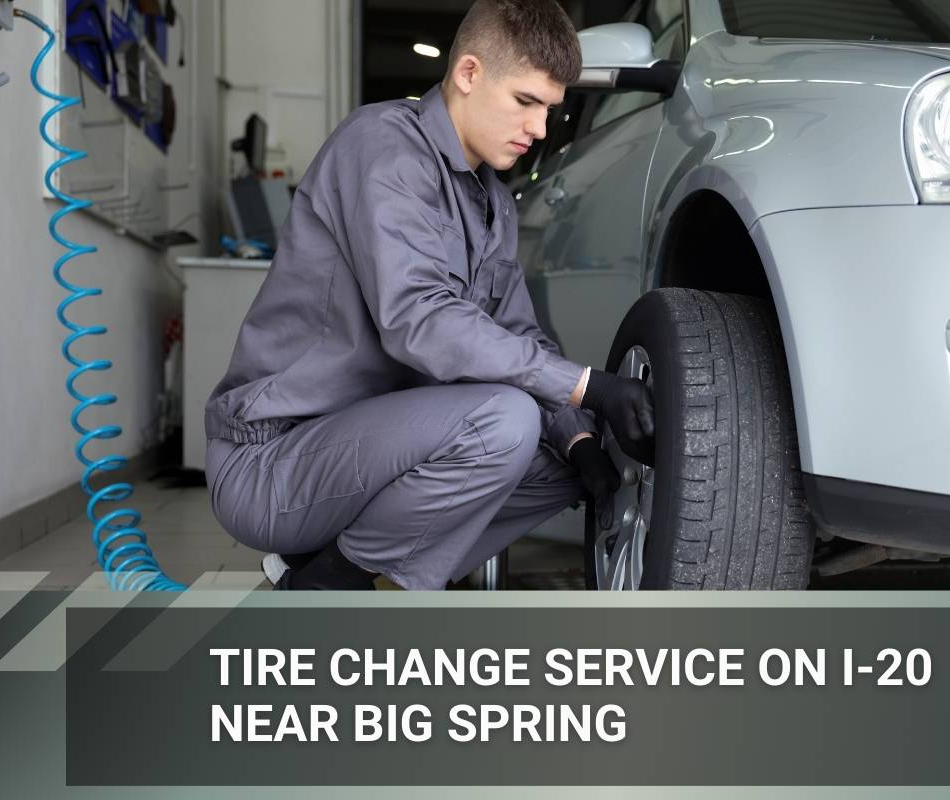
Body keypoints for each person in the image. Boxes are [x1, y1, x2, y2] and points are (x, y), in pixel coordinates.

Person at [203, 0, 654, 590]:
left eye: (549, 110)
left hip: (368, 452)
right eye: (525, 102)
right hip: (271, 460)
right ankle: (329, 582)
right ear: (468, 74)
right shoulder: (383, 148)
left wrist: (580, 437)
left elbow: (518, 336)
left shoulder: (493, 205)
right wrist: (590, 384)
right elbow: (420, 321)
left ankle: (328, 564)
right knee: (506, 421)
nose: (540, 129)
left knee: (563, 454)